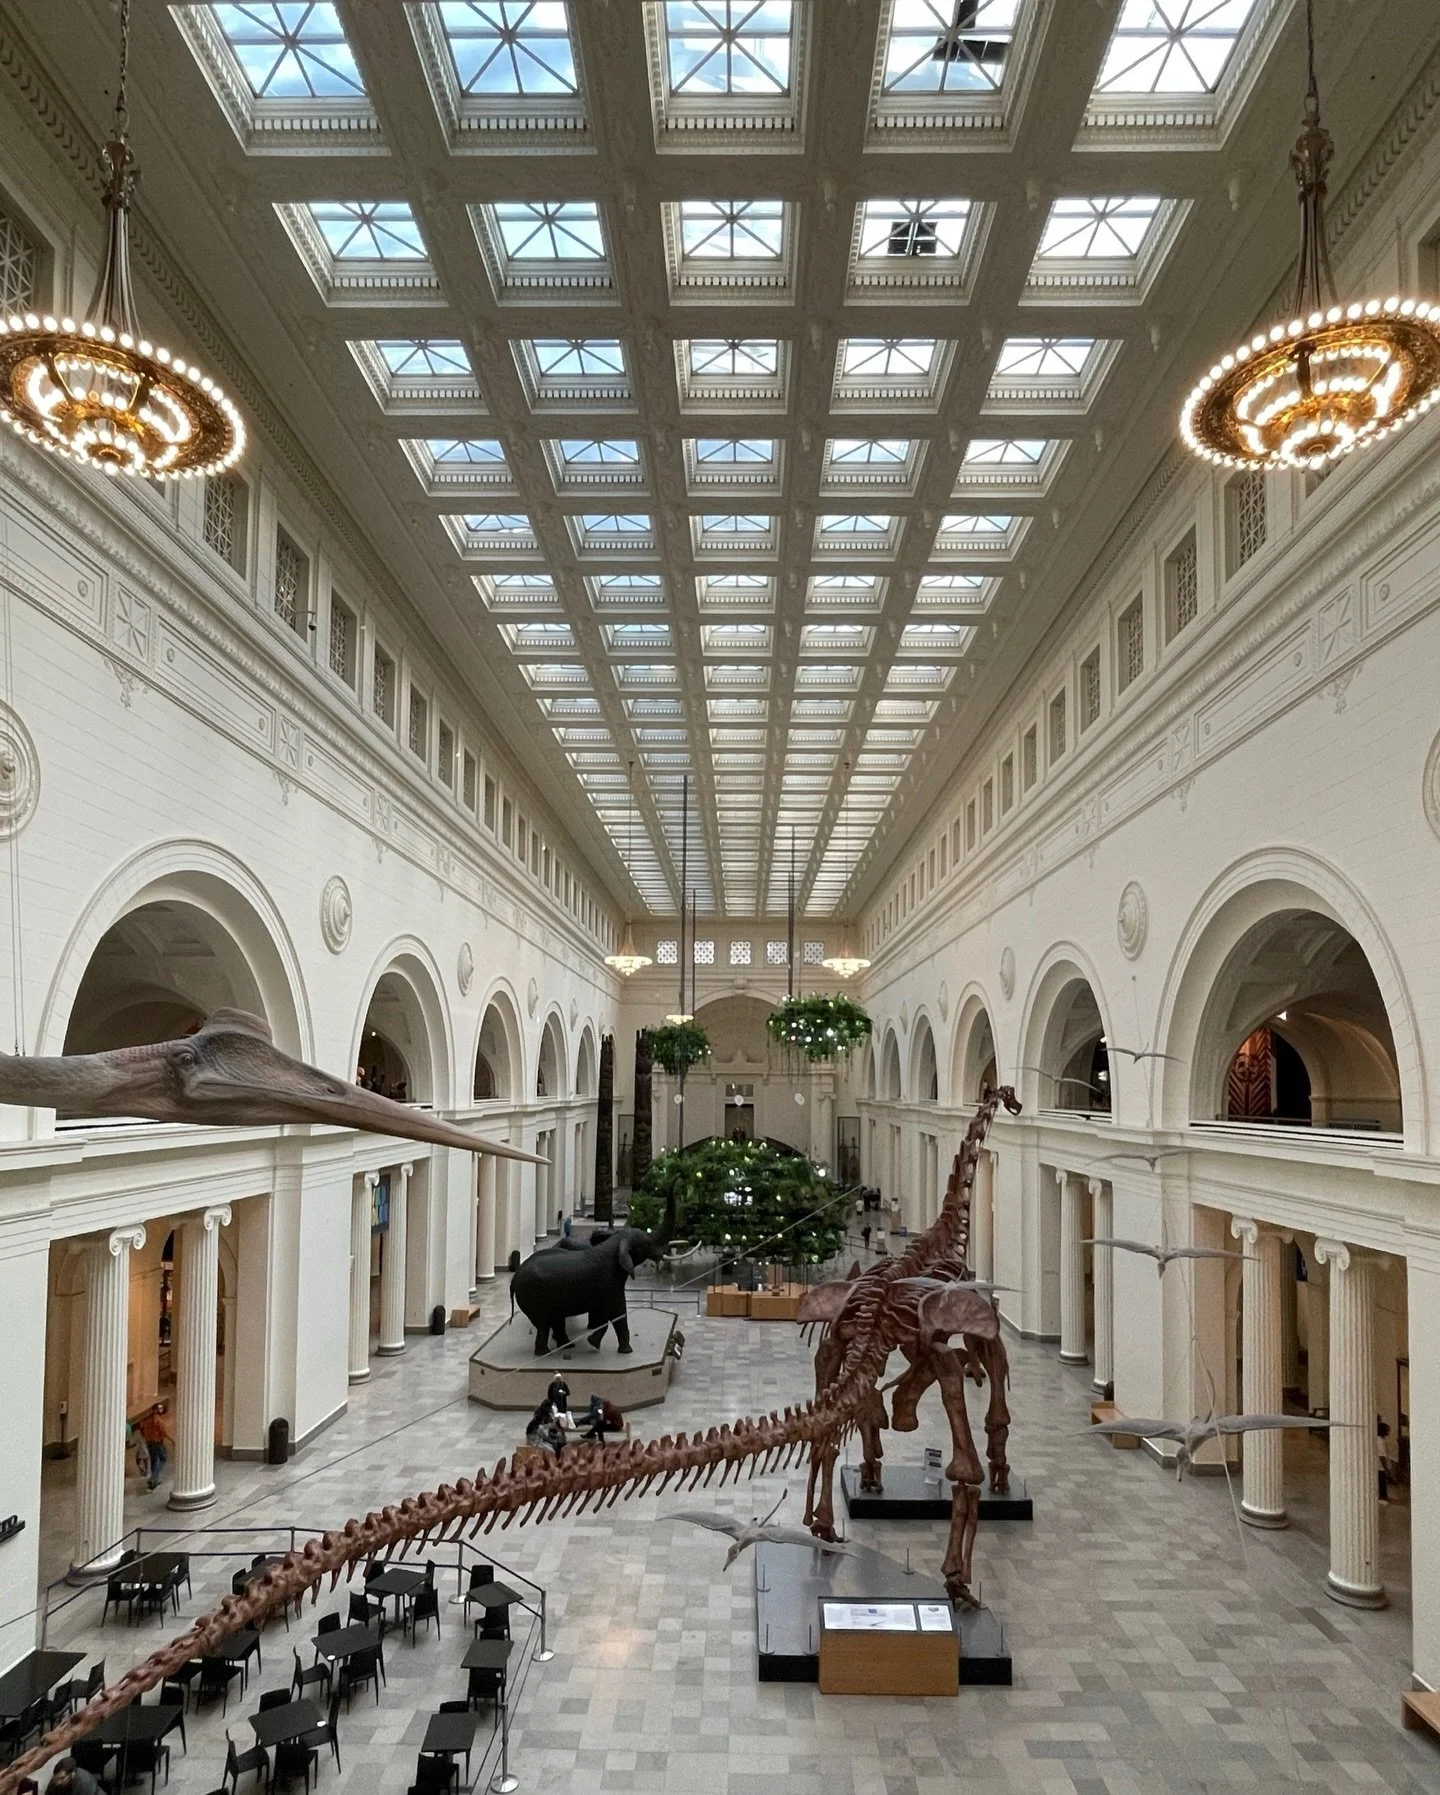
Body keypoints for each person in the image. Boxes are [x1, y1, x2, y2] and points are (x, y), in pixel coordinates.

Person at [138, 1404, 170, 1491]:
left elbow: (141, 1429)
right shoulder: (158, 1420)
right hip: (157, 1443)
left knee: (154, 1461)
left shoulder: (146, 1420)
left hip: (149, 1443)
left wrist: (146, 1437)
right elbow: (163, 1432)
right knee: (163, 1458)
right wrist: (171, 1440)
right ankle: (153, 1478)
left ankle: (154, 1481)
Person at [1377, 1417, 1392, 1503]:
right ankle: (1383, 1499)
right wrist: (1386, 1468)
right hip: (1380, 1467)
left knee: (1382, 1482)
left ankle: (1383, 1498)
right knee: (1382, 1482)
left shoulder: (1380, 1440)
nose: (1389, 1432)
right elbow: (1381, 1456)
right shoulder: (1380, 1441)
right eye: (1387, 1430)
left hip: (1380, 1466)